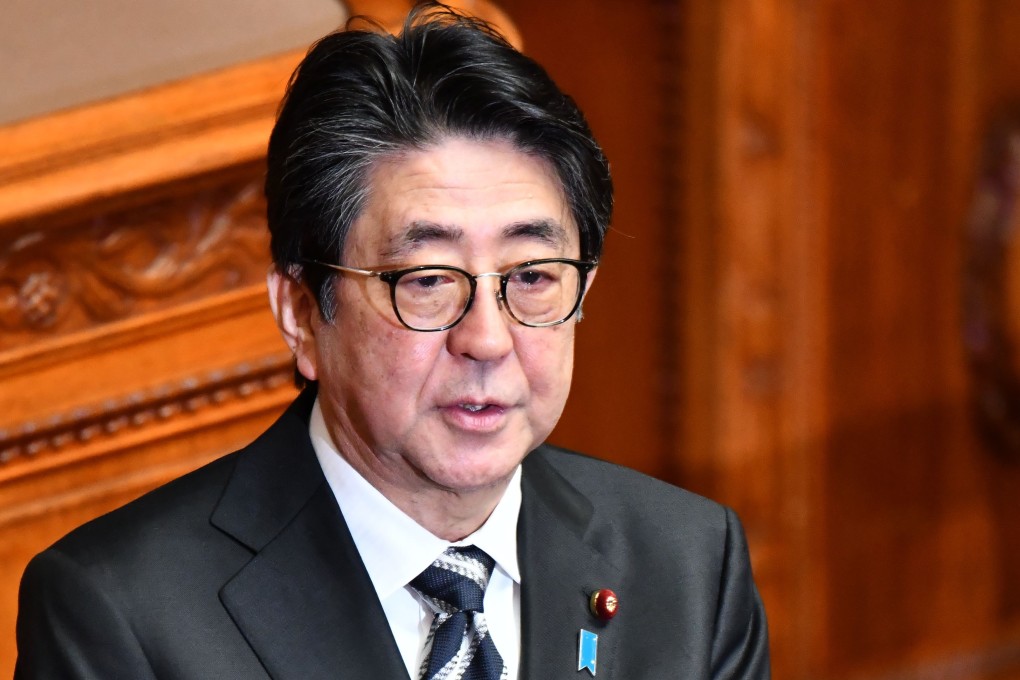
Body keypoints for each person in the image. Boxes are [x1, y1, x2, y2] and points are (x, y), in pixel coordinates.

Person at [15, 4, 770, 678]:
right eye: (427, 280)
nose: (487, 339)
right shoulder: (122, 615)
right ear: (304, 312)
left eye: (534, 275)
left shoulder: (688, 565)